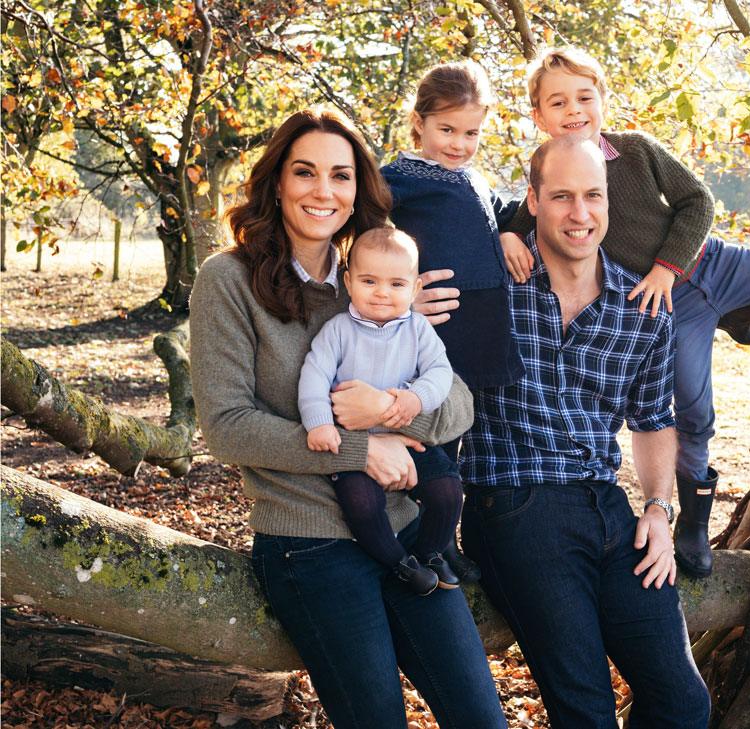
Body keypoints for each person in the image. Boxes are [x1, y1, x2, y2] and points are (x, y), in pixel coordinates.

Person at [189, 108, 506, 729]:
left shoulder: (378, 279)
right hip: (310, 542)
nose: (323, 191)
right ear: (276, 181)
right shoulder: (227, 280)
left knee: (481, 717)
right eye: (305, 172)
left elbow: (460, 402)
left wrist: (394, 412)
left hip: (407, 530)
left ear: (359, 188)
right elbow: (226, 426)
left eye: (341, 175)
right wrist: (363, 451)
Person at [498, 46, 750, 578]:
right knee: (693, 411)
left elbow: (697, 201)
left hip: (710, 264)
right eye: (557, 103)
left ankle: (737, 312)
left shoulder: (635, 150)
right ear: (539, 116)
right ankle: (694, 525)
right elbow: (525, 218)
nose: (574, 110)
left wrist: (665, 266)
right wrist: (505, 237)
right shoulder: (552, 179)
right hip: (672, 309)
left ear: (602, 100)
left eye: (585, 97)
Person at [460, 135, 711, 728]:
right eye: (562, 196)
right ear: (533, 200)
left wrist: (657, 508)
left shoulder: (641, 304)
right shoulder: (491, 281)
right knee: (586, 710)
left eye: (592, 196)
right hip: (515, 505)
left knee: (683, 703)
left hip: (607, 508)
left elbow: (653, 419)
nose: (580, 213)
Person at [381, 60, 525, 581]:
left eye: (471, 133)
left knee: (459, 437)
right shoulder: (398, 178)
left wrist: (509, 231)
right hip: (439, 328)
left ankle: (446, 539)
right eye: (447, 130)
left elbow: (499, 211)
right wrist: (398, 291)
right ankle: (427, 540)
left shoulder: (473, 177)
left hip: (481, 328)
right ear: (418, 122)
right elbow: (361, 233)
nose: (460, 143)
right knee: (433, 437)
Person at [298, 227, 462, 594]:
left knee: (447, 490)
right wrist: (320, 424)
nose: (382, 293)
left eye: (396, 284)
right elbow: (313, 377)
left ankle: (430, 552)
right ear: (349, 281)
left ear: (415, 288)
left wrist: (414, 399)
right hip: (354, 445)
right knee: (361, 504)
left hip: (405, 439)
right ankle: (399, 564)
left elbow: (440, 373)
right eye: (369, 281)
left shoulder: (418, 330)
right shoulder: (337, 331)